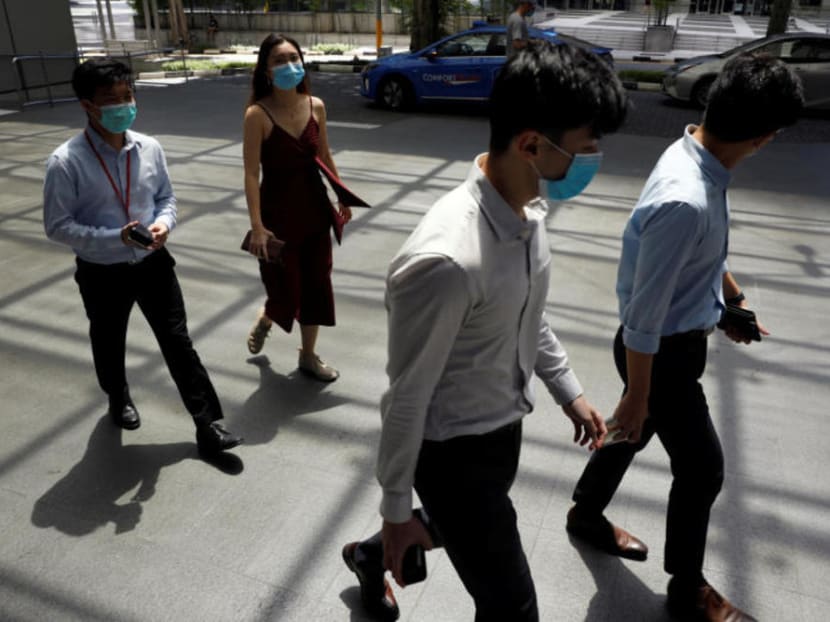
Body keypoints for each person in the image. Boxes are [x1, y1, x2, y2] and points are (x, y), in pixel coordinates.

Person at [341, 41, 628, 622]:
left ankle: (368, 557)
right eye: (586, 147)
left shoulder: (528, 212)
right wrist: (395, 508)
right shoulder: (447, 261)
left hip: (501, 429)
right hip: (453, 453)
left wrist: (567, 390)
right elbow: (406, 396)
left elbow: (525, 313)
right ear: (531, 145)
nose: (594, 159)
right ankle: (385, 544)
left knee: (470, 520)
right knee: (512, 607)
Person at [565, 54, 803, 622]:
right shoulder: (686, 198)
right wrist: (638, 391)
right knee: (703, 468)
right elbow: (646, 314)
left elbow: (702, 257)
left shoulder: (696, 154)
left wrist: (730, 303)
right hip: (660, 353)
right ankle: (687, 587)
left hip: (669, 343)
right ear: (764, 137)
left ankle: (584, 513)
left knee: (633, 434)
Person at [43, 58, 243, 458]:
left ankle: (207, 424)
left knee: (178, 341)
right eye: (111, 99)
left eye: (128, 95)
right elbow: (58, 226)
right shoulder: (66, 162)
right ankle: (118, 396)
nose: (124, 105)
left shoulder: (149, 148)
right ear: (87, 105)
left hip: (154, 263)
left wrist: (164, 224)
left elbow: (166, 198)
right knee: (108, 340)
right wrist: (113, 238)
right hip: (102, 272)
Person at [242, 33, 352, 382]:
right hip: (278, 216)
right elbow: (251, 173)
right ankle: (268, 315)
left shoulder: (316, 106)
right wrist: (257, 226)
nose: (289, 65)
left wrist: (342, 195)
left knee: (317, 285)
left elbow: (325, 155)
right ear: (266, 70)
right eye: (279, 61)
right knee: (285, 288)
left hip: (315, 210)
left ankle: (308, 355)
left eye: (294, 58)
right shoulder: (257, 115)